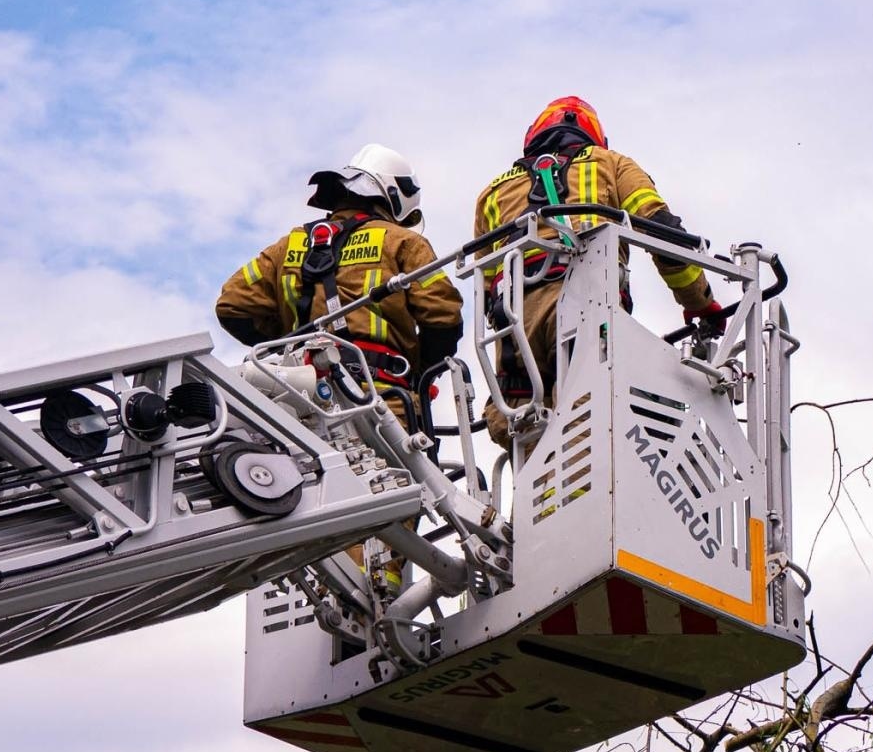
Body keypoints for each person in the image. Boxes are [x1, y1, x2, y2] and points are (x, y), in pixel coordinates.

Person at [216, 144, 463, 589]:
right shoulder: (402, 241)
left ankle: (338, 594)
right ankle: (377, 595)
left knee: (319, 502)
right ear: (391, 194)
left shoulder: (290, 246)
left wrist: (286, 344)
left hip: (301, 402)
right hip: (379, 395)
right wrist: (422, 371)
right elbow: (443, 316)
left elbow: (232, 305)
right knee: (393, 492)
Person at [473, 96, 725, 448]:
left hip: (515, 333)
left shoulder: (493, 192)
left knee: (530, 439)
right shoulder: (612, 164)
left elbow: (486, 286)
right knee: (586, 429)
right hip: (586, 313)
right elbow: (662, 232)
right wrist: (699, 302)